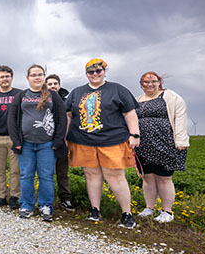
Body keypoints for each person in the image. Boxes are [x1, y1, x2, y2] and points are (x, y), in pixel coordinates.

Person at [65, 58, 140, 229]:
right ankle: (95, 210)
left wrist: (135, 134)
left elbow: (130, 113)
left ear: (104, 71)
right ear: (86, 74)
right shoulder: (77, 92)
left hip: (112, 139)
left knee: (115, 176)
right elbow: (68, 115)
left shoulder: (117, 89)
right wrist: (64, 136)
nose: (95, 74)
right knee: (91, 175)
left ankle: (126, 213)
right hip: (83, 140)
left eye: (98, 71)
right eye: (90, 72)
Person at [7, 65, 67, 221]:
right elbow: (12, 119)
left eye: (40, 74)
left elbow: (61, 119)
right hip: (25, 144)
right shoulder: (21, 96)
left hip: (47, 144)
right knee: (26, 175)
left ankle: (45, 206)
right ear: (28, 77)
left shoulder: (53, 96)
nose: (37, 77)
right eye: (33, 75)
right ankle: (26, 205)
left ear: (44, 77)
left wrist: (57, 141)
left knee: (46, 176)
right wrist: (16, 141)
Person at [135, 71, 189, 223]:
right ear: (141, 85)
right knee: (148, 177)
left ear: (159, 82)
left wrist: (181, 140)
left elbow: (180, 116)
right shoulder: (137, 100)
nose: (149, 84)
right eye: (145, 82)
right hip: (143, 145)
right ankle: (149, 207)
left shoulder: (170, 96)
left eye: (153, 81)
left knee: (164, 178)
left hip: (164, 143)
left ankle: (167, 211)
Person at [0, 65, 22, 210]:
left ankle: (15, 196)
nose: (5, 79)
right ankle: (1, 196)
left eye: (7, 76)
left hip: (14, 137)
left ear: (11, 78)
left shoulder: (20, 94)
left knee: (15, 169)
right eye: (2, 77)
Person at [45, 74, 74, 211]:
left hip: (62, 141)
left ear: (59, 85)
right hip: (45, 142)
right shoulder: (42, 100)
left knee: (62, 173)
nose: (52, 86)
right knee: (46, 172)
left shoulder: (67, 102)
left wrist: (68, 139)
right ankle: (46, 199)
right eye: (49, 84)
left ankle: (65, 199)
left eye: (55, 84)